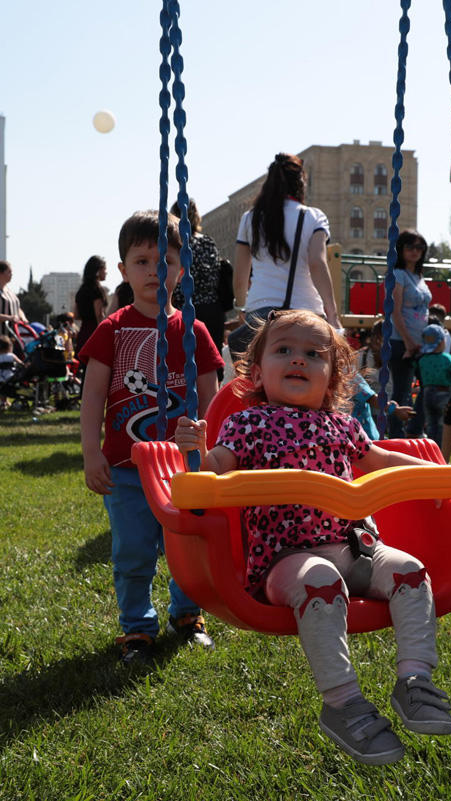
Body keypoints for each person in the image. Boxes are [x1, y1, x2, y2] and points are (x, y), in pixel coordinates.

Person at [174, 309, 451, 766]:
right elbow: (214, 470)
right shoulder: (247, 424)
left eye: (313, 354)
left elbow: (380, 461)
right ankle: (343, 704)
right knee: (321, 579)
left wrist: (441, 477)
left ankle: (415, 681)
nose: (298, 360)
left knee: (410, 571)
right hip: (287, 559)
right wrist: (195, 455)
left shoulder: (342, 426)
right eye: (283, 350)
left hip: (356, 546)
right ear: (258, 371)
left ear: (334, 377)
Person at [79, 210, 224, 665]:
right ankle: (137, 630)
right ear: (123, 270)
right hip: (126, 470)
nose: (154, 271)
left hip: (182, 470)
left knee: (185, 548)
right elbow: (92, 397)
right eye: (142, 261)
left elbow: (210, 399)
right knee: (133, 553)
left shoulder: (194, 331)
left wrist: (203, 434)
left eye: (165, 261)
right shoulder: (113, 329)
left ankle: (187, 616)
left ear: (181, 270)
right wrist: (90, 453)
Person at [228, 153, 340, 362]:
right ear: (301, 184)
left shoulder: (250, 219)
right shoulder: (314, 217)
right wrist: (332, 313)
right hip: (305, 310)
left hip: (260, 312)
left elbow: (241, 275)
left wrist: (242, 307)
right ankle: (368, 396)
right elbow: (317, 263)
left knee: (253, 378)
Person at [385, 229, 433, 438]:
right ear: (401, 249)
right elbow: (395, 311)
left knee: (429, 385)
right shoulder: (398, 275)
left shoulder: (418, 276)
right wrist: (408, 341)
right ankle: (396, 435)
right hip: (401, 341)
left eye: (420, 247)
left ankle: (414, 430)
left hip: (422, 343)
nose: (415, 251)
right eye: (410, 247)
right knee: (402, 389)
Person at [170, 198, 227, 355]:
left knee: (187, 359)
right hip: (213, 308)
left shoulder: (177, 244)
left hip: (187, 308)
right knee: (213, 358)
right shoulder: (208, 241)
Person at [413, 323, 451, 445]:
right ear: (441, 342)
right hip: (444, 392)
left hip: (427, 393)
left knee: (431, 423)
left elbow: (417, 372)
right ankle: (441, 448)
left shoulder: (422, 359)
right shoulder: (446, 358)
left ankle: (432, 447)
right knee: (442, 423)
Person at [74, 255, 109, 355]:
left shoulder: (80, 291)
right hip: (94, 334)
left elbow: (76, 315)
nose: (106, 272)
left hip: (83, 333)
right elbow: (99, 314)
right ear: (98, 271)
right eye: (105, 269)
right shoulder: (97, 290)